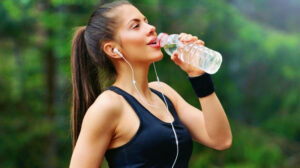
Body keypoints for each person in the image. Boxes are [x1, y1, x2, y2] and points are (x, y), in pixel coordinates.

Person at [69, 1, 232, 168]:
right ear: (112, 49)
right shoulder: (109, 106)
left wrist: (198, 76)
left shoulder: (164, 93)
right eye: (136, 26)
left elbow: (220, 140)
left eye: (146, 21)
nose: (151, 28)